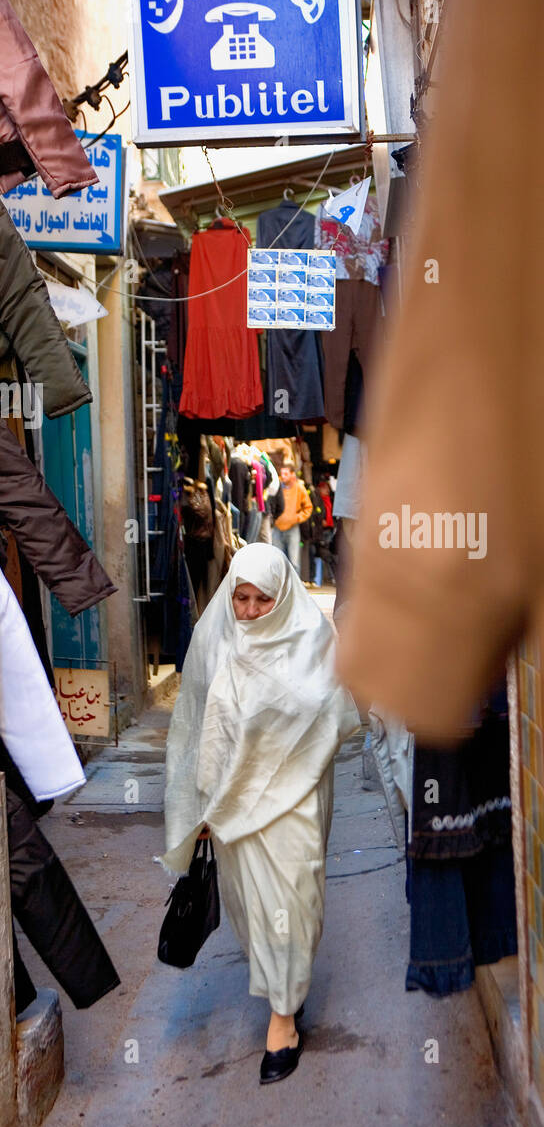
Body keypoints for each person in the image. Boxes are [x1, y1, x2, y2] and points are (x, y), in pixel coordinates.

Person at [162, 544, 359, 1085]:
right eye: (240, 598)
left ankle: (282, 1020)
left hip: (295, 800)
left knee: (296, 899)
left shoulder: (312, 640)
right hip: (234, 806)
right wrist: (202, 804)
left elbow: (332, 714)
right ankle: (285, 997)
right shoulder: (215, 640)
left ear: (283, 596)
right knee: (256, 909)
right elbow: (197, 725)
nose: (248, 611)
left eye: (261, 600)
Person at [269, 462, 311, 575]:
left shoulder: (299, 488)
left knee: (294, 561)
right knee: (277, 560)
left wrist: (297, 518)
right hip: (277, 527)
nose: (283, 476)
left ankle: (294, 588)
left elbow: (308, 507)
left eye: (286, 473)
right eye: (282, 473)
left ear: (293, 474)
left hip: (293, 527)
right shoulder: (276, 485)